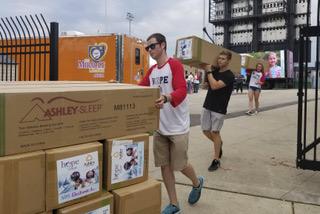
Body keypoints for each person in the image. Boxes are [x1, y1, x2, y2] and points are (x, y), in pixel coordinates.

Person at [139, 33, 203, 214]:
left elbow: (182, 90)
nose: (149, 50)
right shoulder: (152, 71)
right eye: (147, 48)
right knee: (165, 165)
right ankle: (174, 204)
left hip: (177, 127)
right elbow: (139, 88)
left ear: (163, 45)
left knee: (180, 165)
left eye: (152, 46)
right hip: (160, 127)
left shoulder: (174, 65)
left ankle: (197, 183)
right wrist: (119, 86)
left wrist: (166, 98)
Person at [200, 51, 235, 171]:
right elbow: (204, 85)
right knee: (205, 130)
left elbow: (214, 86)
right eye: (219, 58)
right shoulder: (214, 72)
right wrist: (206, 71)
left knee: (215, 132)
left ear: (229, 61)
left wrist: (209, 71)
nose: (220, 60)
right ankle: (218, 143)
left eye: (223, 59)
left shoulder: (229, 76)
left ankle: (216, 159)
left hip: (219, 107)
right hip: (207, 104)